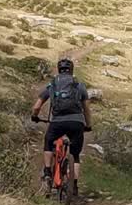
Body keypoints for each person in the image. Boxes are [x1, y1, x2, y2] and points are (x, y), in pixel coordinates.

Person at [31, 58, 92, 193]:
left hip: (57, 122)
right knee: (75, 155)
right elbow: (86, 109)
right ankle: (74, 185)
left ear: (59, 70)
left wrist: (35, 117)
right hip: (76, 123)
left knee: (48, 142)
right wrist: (88, 125)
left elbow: (36, 107)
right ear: (72, 70)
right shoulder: (79, 85)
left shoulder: (52, 85)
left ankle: (47, 172)